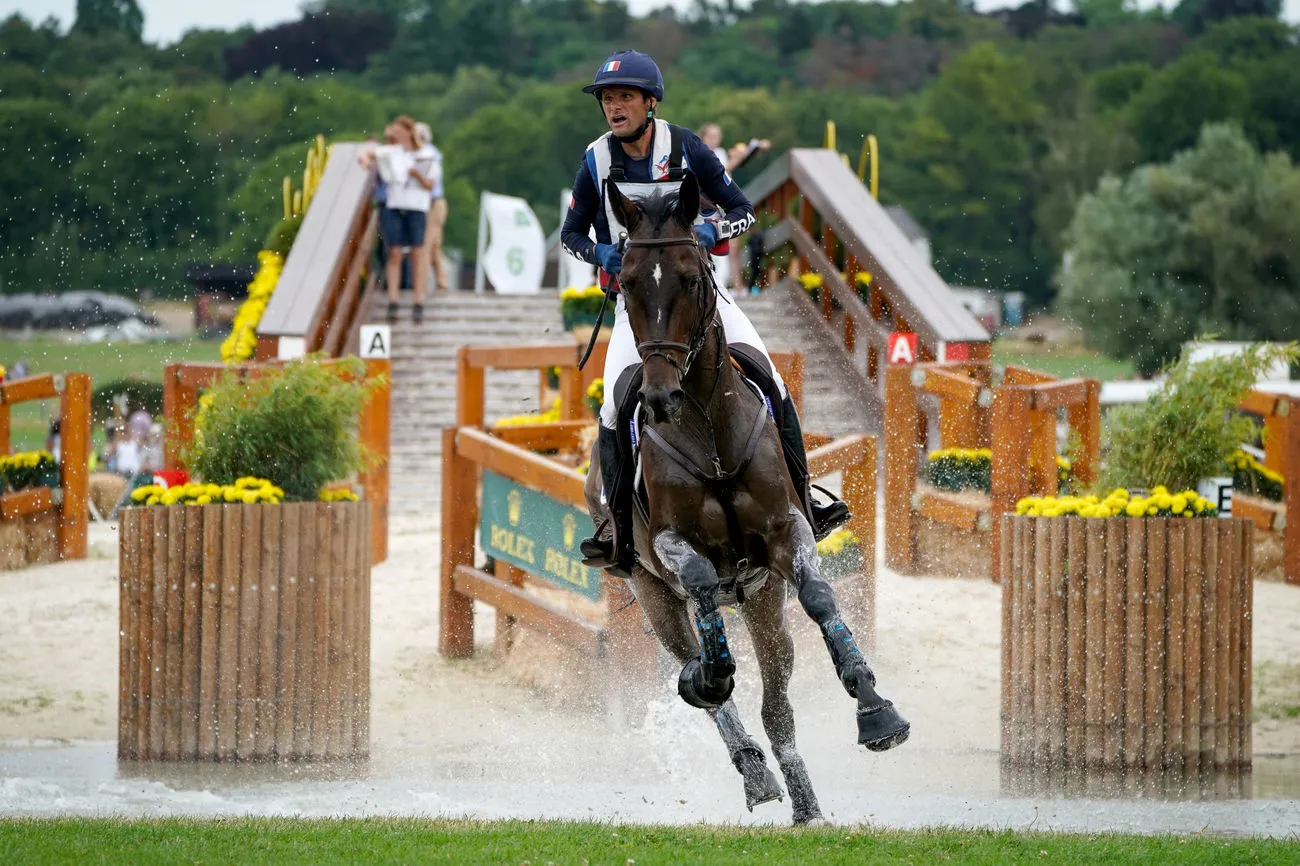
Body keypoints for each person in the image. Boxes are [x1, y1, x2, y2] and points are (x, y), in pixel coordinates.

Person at [561, 50, 849, 575]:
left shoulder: (687, 147)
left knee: (773, 384)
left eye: (624, 96)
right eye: (607, 98)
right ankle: (620, 533)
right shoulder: (595, 160)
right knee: (612, 412)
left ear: (650, 103)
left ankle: (806, 503)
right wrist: (603, 254)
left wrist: (713, 231)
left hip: (703, 300)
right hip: (639, 313)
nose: (614, 107)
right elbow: (570, 234)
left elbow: (743, 210)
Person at [367, 116, 435, 324]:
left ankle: (418, 299)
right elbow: (370, 153)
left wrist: (416, 174)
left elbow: (430, 184)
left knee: (416, 252)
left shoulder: (426, 154)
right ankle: (393, 299)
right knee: (394, 251)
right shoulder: (392, 152)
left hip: (416, 205)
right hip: (395, 204)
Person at [414, 122, 451, 294]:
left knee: (428, 243)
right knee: (434, 244)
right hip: (430, 203)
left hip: (433, 203)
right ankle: (441, 282)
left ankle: (426, 283)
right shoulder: (428, 153)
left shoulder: (428, 154)